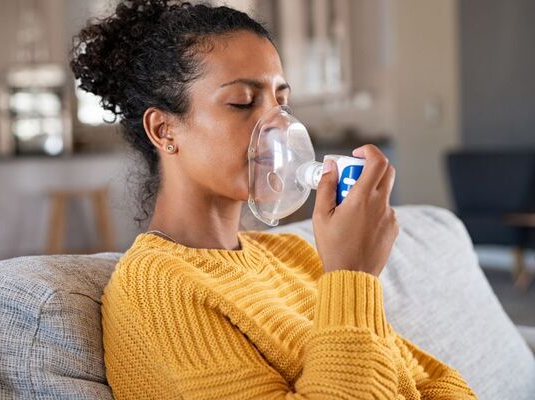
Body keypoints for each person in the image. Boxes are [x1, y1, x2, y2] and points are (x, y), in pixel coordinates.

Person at [70, 0, 477, 398]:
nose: (277, 126)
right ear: (164, 130)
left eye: (281, 102)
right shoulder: (157, 290)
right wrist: (353, 276)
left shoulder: (293, 255)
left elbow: (426, 380)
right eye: (243, 102)